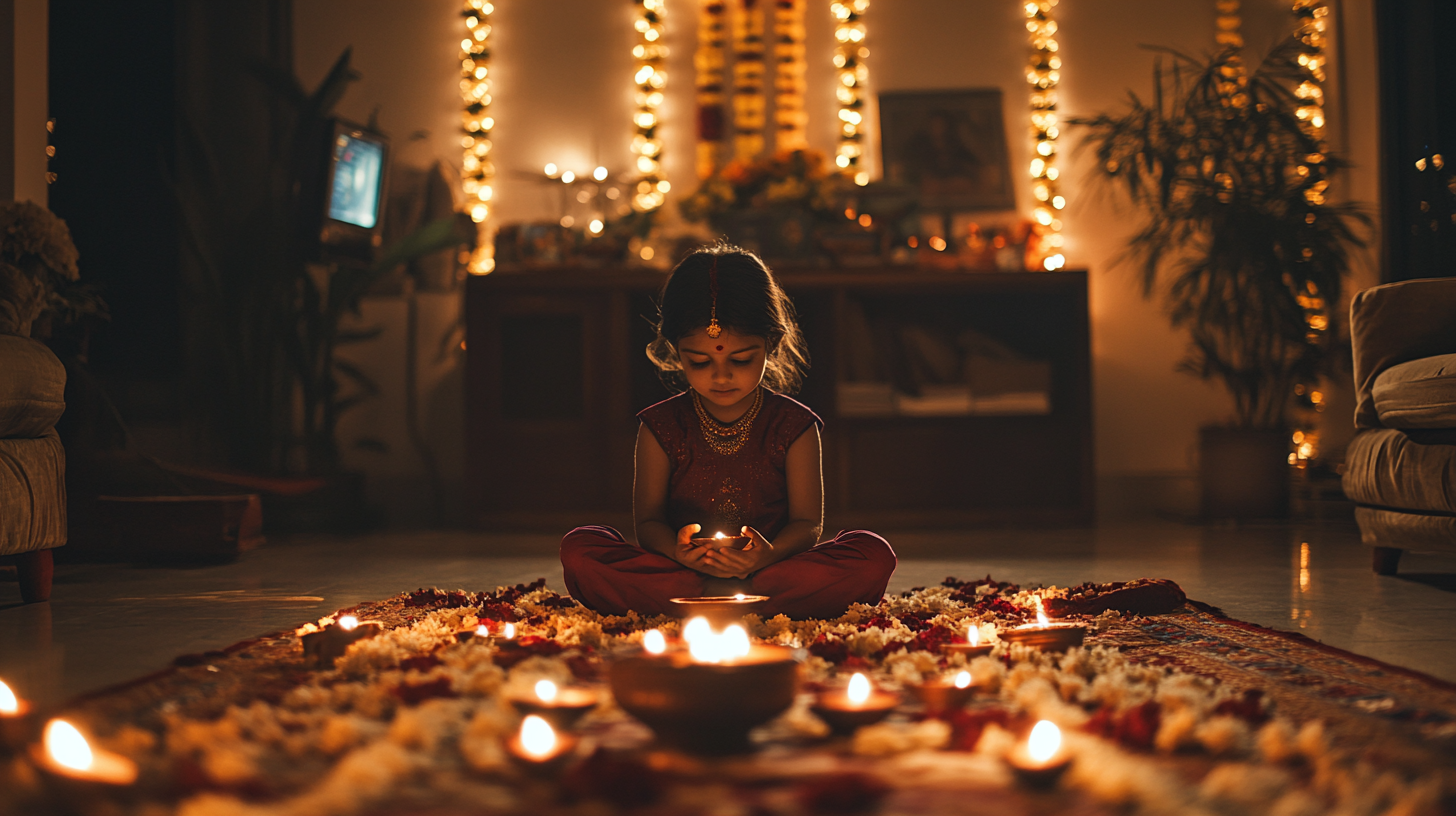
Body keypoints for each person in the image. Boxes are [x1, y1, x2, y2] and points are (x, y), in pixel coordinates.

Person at [560, 245, 896, 619]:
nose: (721, 376)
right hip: (683, 573)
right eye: (700, 361)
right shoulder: (660, 426)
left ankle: (713, 603)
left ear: (773, 344)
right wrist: (678, 552)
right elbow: (648, 523)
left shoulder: (794, 425)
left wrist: (766, 555)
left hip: (770, 571)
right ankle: (729, 600)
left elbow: (806, 524)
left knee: (871, 553)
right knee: (581, 548)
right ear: (676, 351)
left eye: (740, 359)